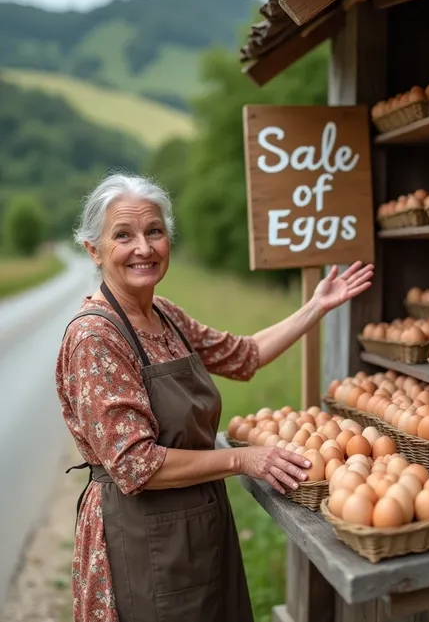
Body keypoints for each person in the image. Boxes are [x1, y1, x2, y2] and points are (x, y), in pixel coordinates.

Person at [56, 172, 373, 622]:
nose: (143, 248)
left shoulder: (164, 315)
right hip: (142, 540)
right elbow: (135, 465)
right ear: (94, 250)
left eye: (154, 232)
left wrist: (316, 306)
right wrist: (244, 459)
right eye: (123, 235)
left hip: (195, 526)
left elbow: (244, 355)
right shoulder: (96, 338)